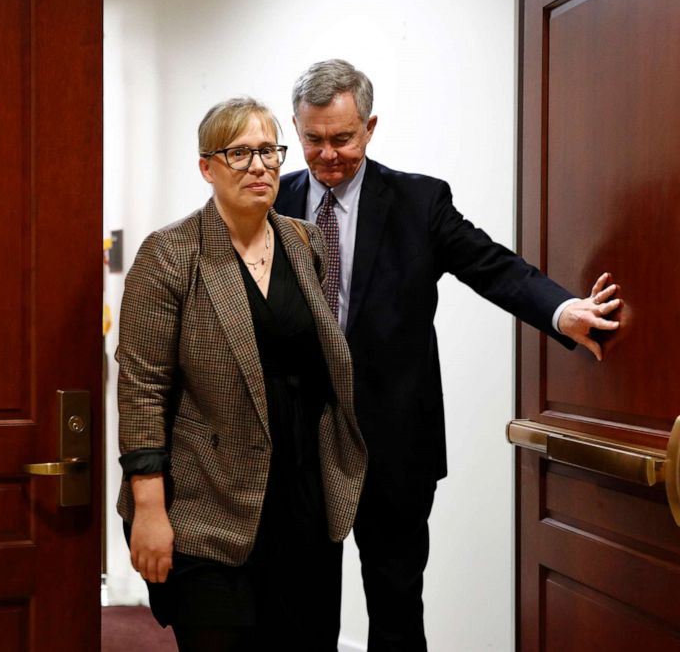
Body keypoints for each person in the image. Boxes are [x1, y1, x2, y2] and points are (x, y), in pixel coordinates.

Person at [274, 59, 622, 651]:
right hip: (301, 447)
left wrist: (562, 311)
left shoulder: (418, 200)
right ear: (296, 128)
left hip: (394, 448)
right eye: (313, 139)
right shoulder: (273, 202)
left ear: (371, 127)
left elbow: (493, 266)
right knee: (302, 616)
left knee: (396, 610)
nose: (328, 154)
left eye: (343, 139)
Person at [116, 96, 367, 651]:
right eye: (240, 153)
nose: (259, 166)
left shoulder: (303, 243)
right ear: (207, 167)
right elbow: (142, 387)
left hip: (303, 499)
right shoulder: (170, 254)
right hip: (208, 505)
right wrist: (150, 511)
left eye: (269, 151)